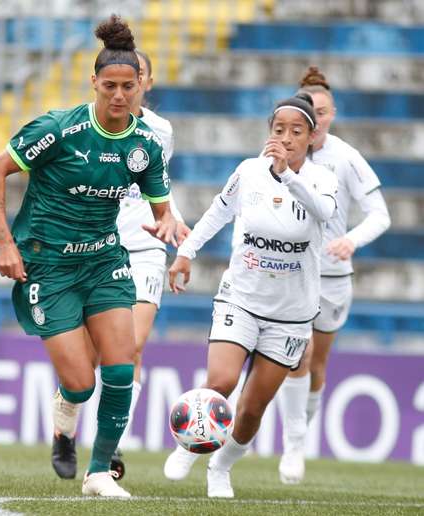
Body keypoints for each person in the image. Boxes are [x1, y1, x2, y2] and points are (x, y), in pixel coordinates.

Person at [0, 15, 177, 498]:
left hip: (104, 261)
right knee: (81, 382)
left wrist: (169, 223)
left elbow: (161, 208)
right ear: (93, 82)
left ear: (141, 87)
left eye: (127, 86)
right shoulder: (59, 129)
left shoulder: (145, 145)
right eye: (109, 85)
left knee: (121, 365)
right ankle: (64, 424)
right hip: (48, 266)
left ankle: (98, 474)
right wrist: (5, 241)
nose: (118, 95)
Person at [163, 93, 338, 498]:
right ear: (269, 133)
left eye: (297, 132)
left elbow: (324, 213)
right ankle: (189, 445)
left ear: (312, 137)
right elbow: (217, 212)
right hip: (240, 298)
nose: (287, 138)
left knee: (252, 409)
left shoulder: (322, 180)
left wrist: (288, 176)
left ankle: (220, 467)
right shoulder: (248, 172)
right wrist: (185, 254)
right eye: (279, 130)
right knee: (221, 380)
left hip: (291, 314)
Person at [49, 48, 190, 482]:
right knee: (90, 360)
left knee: (130, 347)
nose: (127, 89)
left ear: (145, 83)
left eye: (137, 79)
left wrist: (179, 234)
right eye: (120, 81)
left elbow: (156, 191)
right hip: (97, 247)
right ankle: (66, 419)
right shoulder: (86, 129)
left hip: (146, 247)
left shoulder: (161, 131)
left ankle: (109, 449)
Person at [276, 66, 390, 484]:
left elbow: (380, 215)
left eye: (323, 112)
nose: (317, 119)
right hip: (289, 270)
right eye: (310, 112)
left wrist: (351, 241)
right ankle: (291, 445)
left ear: (333, 113)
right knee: (296, 357)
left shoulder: (345, 158)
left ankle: (298, 437)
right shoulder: (277, 155)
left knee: (316, 366)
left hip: (333, 276)